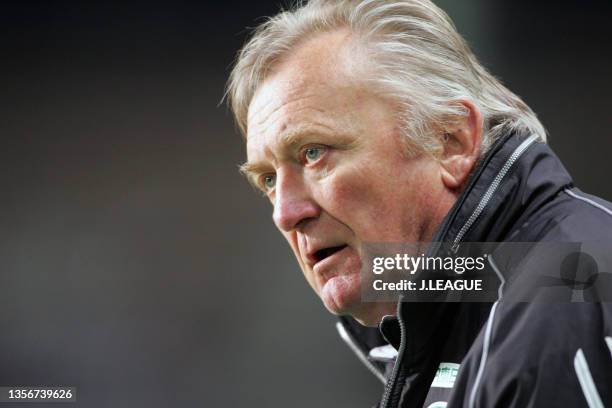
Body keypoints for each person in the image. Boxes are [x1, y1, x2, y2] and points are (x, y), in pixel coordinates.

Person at [226, 0, 612, 406]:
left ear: (450, 141)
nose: (285, 213)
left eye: (313, 153)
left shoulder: (568, 304)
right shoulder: (465, 311)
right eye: (268, 179)